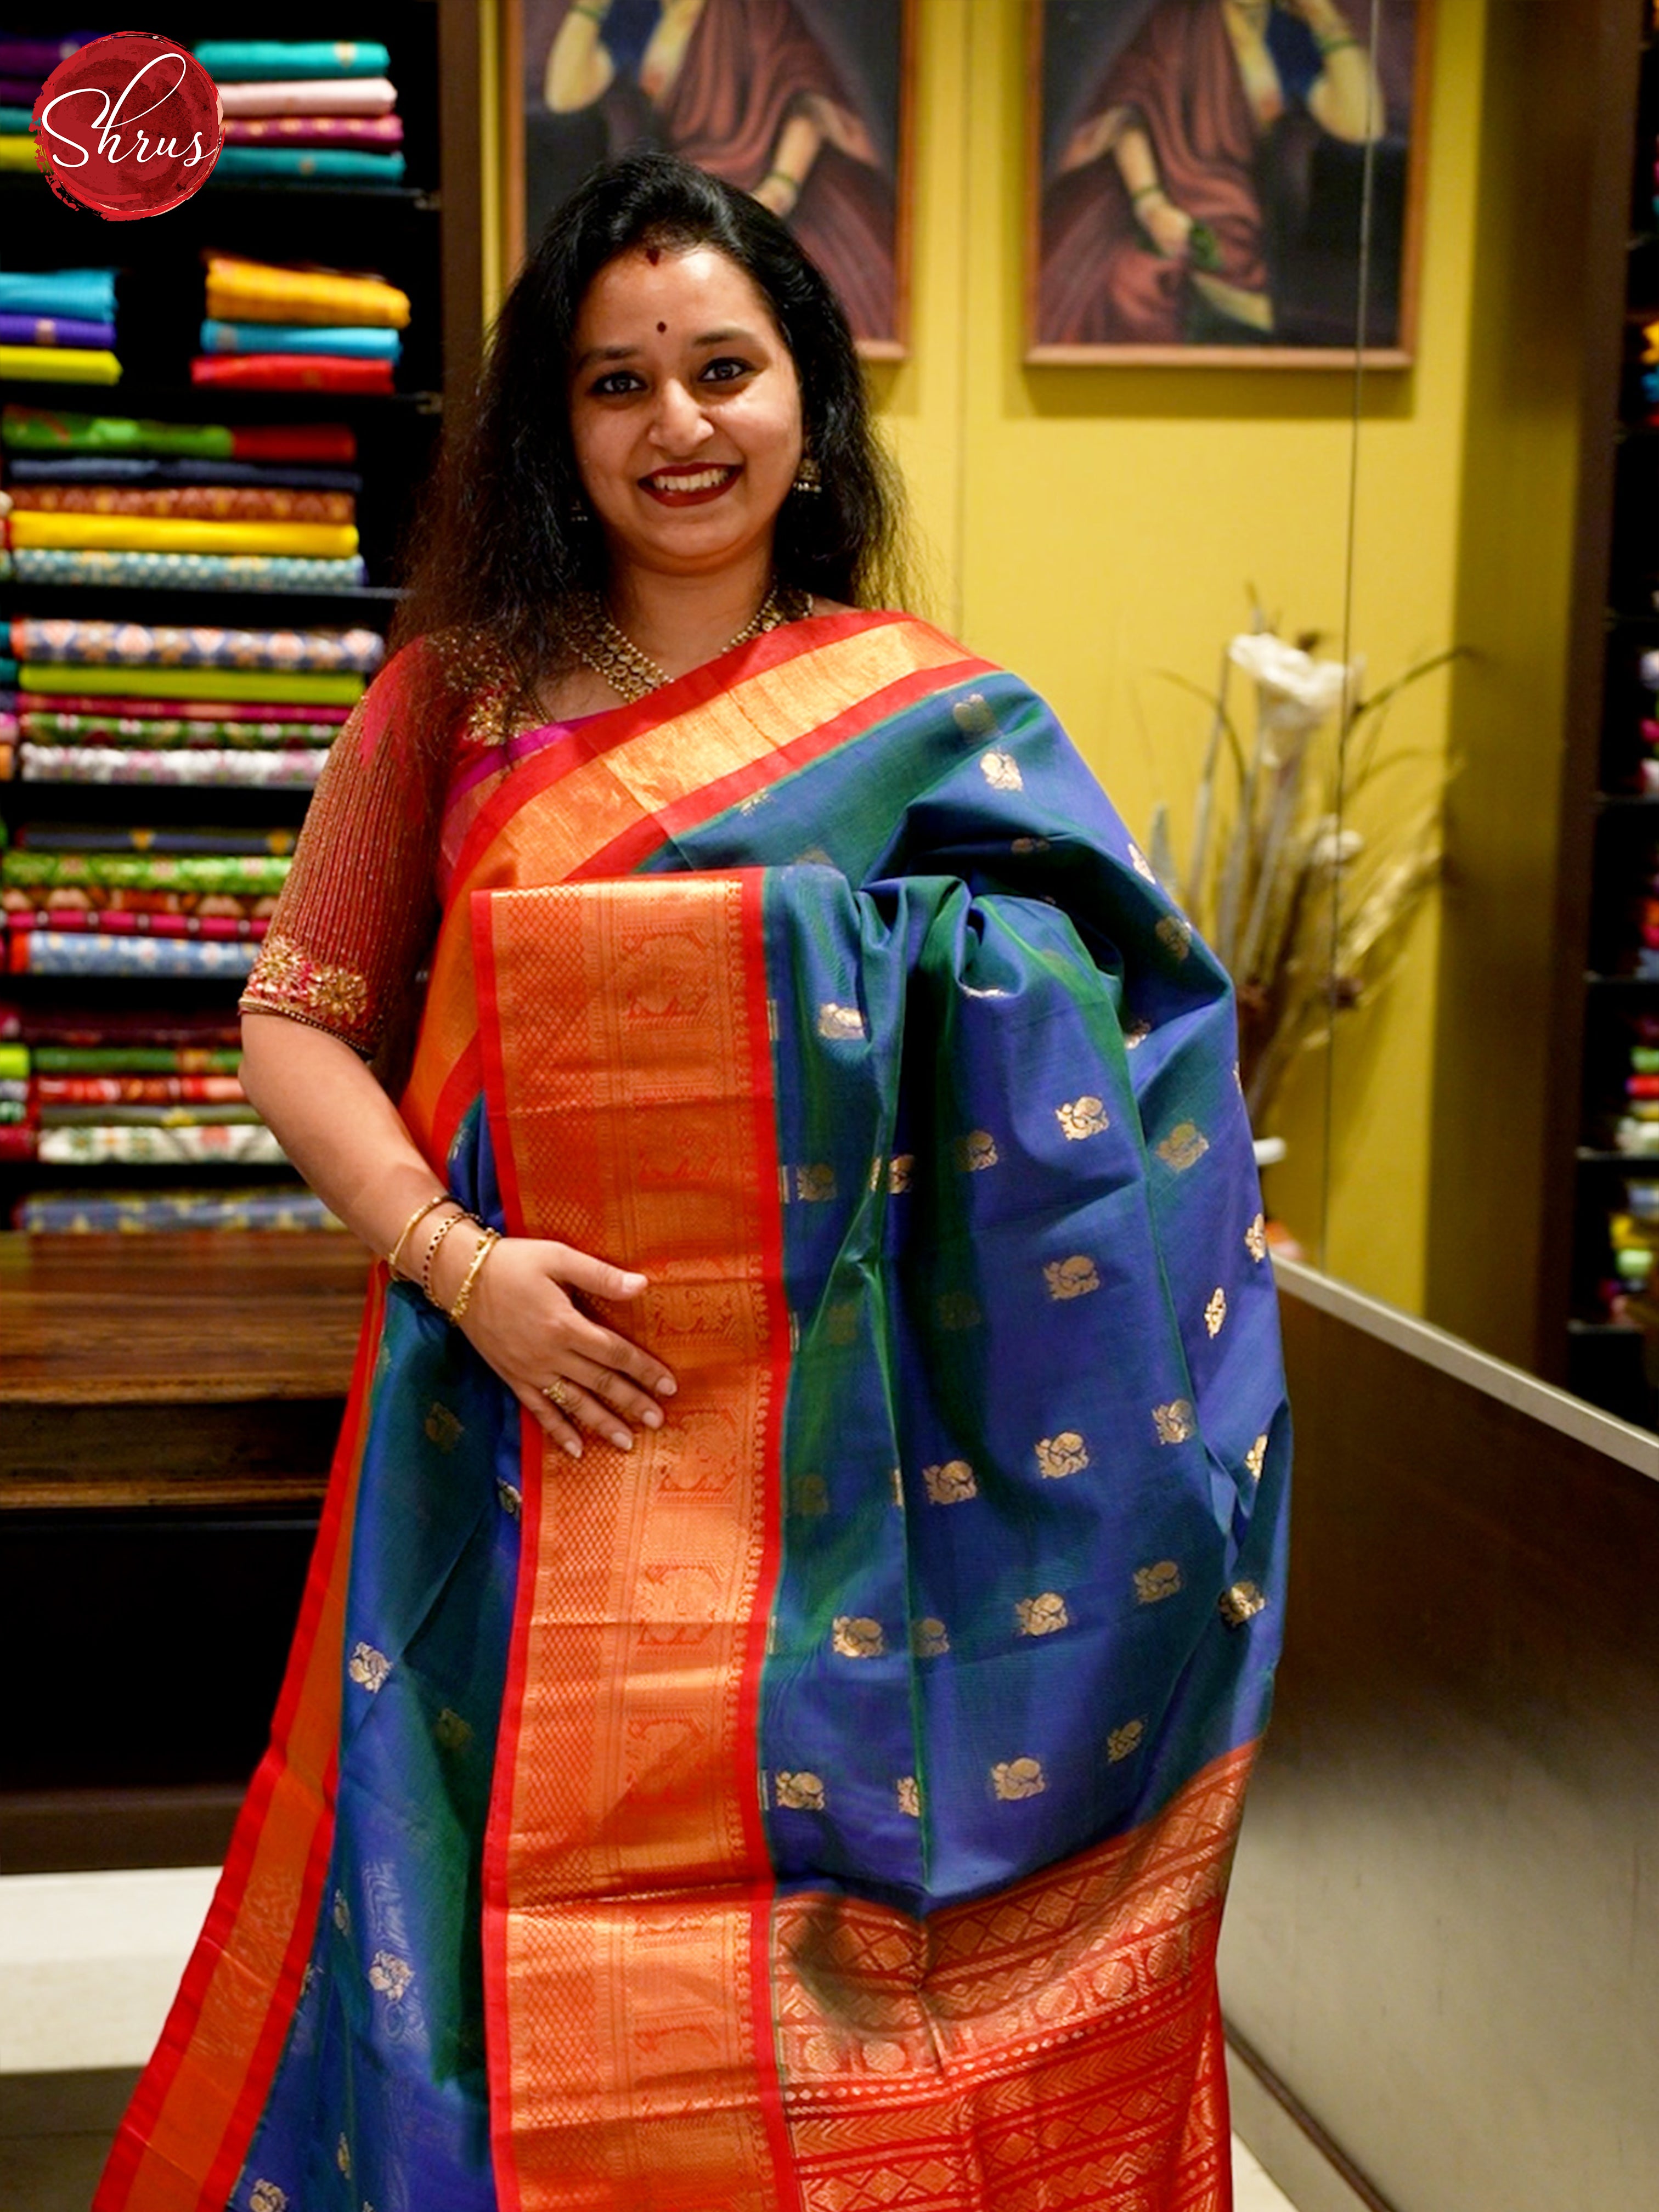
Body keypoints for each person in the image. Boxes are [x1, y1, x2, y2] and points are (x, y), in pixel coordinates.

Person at [96, 152, 1289, 2212]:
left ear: (804, 398)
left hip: (844, 1446)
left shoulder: (933, 720)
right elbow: (294, 1020)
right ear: (554, 429)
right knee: (465, 1897)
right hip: (511, 1418)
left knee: (826, 1893)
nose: (677, 426)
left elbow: (1138, 1023)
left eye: (720, 368)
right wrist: (457, 1267)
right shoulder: (447, 706)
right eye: (615, 382)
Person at [534, 0, 898, 343]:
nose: (678, 413)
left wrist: (774, 194)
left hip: (768, 214)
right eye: (621, 382)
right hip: (680, 221)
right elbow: (565, 93)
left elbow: (808, 97)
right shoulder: (641, 19)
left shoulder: (749, 10)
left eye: (725, 372)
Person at [1041, 0, 1387, 347]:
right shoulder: (1176, 25)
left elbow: (1363, 126)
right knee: (1130, 281)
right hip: (1154, 205)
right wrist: (1151, 204)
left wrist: (1325, 18)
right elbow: (1129, 115)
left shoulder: (1283, 35)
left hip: (1246, 218)